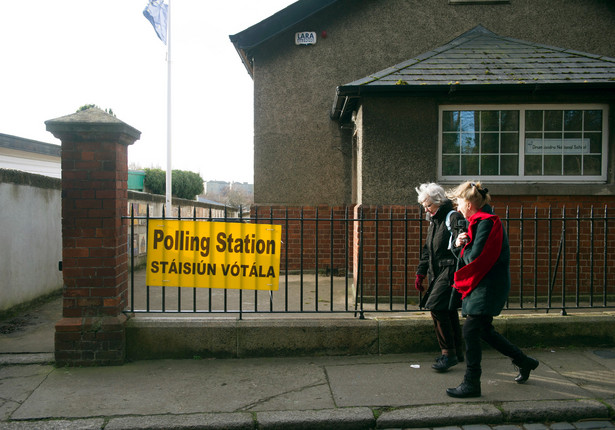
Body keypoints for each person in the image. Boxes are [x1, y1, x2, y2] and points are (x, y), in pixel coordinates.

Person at [446, 181, 539, 398]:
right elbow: (471, 257)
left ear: (469, 203)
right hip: (484, 284)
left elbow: (476, 258)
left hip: (487, 286)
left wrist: (463, 246)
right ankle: (525, 361)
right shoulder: (478, 222)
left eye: (458, 202)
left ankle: (472, 383)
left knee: (470, 330)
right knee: (484, 331)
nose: (457, 207)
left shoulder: (485, 223)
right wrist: (463, 244)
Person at [415, 183, 465, 372]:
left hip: (450, 270)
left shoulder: (452, 217)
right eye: (424, 206)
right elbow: (428, 250)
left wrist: (462, 238)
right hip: (437, 272)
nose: (426, 209)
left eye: (428, 205)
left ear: (438, 201)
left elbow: (462, 237)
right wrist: (421, 272)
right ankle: (457, 351)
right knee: (448, 310)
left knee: (436, 306)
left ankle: (448, 354)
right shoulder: (434, 221)